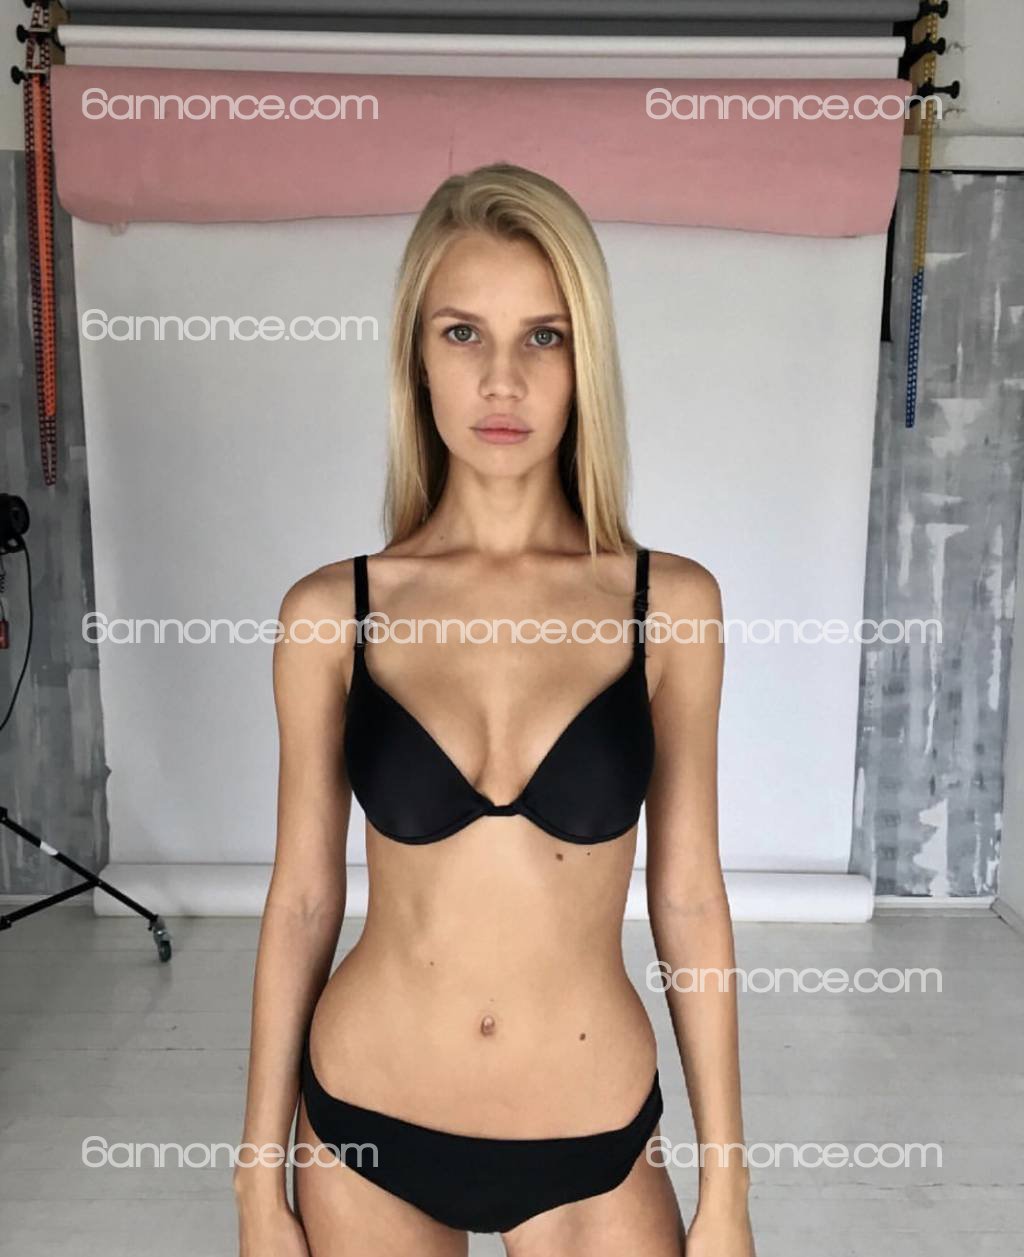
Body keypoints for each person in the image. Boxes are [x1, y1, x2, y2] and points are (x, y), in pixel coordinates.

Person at [234, 162, 755, 1257]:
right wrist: (255, 1181)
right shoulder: (333, 614)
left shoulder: (670, 606)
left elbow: (690, 900)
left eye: (543, 337)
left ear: (585, 360)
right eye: (462, 333)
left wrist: (727, 1189)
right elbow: (301, 903)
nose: (502, 380)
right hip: (366, 1126)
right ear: (415, 358)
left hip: (592, 1135)